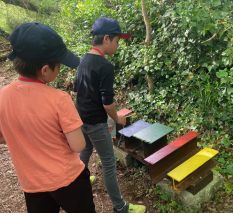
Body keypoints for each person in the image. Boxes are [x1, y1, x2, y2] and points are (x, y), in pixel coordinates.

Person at [0, 22, 95, 212]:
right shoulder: (59, 99)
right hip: (68, 180)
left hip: (32, 184)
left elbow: (3, 137)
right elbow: (78, 145)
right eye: (59, 65)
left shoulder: (2, 96)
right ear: (45, 70)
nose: (59, 69)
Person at [74, 17, 146, 213]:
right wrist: (118, 119)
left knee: (85, 151)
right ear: (106, 39)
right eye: (117, 41)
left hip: (80, 118)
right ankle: (120, 207)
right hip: (97, 123)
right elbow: (107, 104)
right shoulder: (105, 66)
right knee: (108, 163)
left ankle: (82, 179)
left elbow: (76, 90)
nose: (117, 45)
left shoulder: (83, 60)